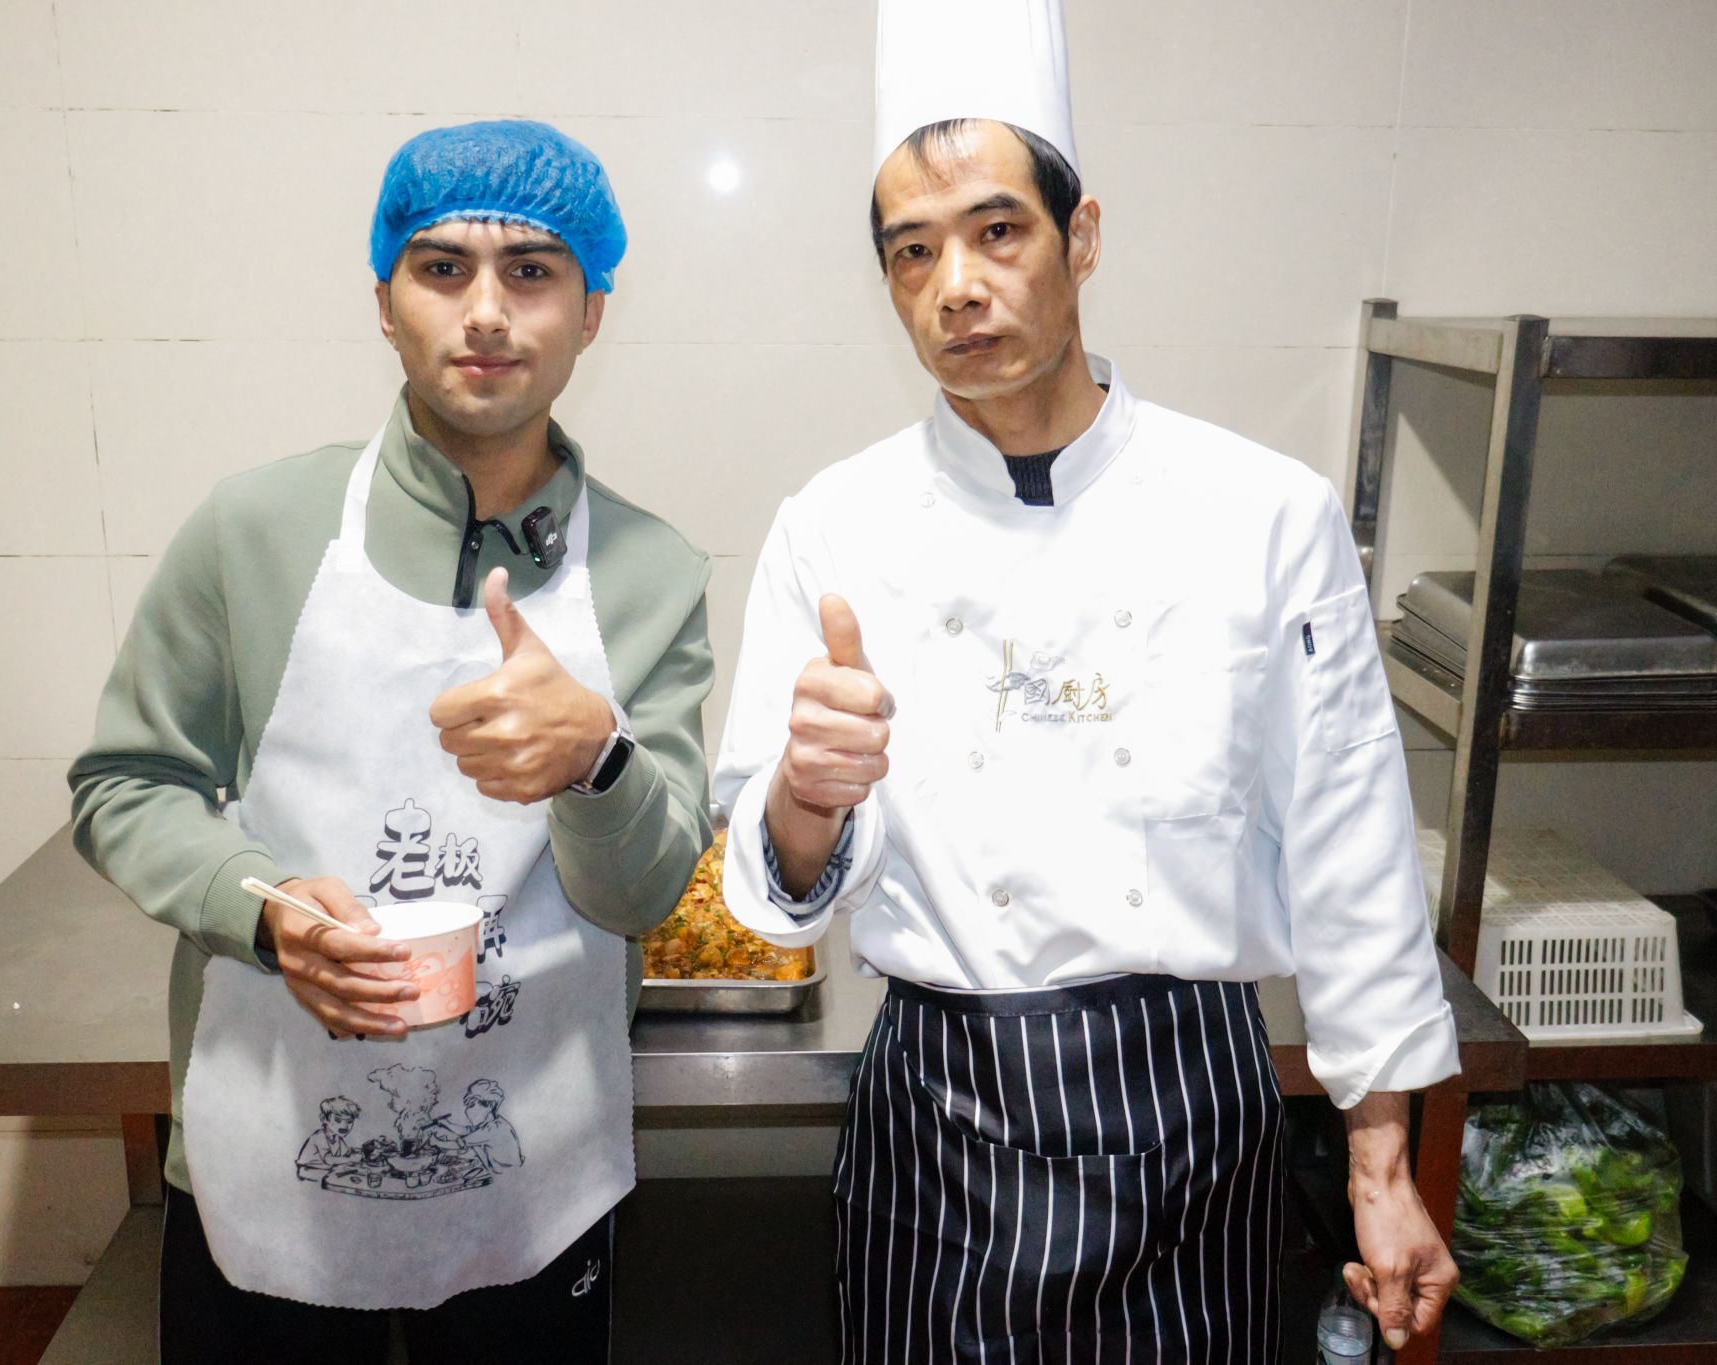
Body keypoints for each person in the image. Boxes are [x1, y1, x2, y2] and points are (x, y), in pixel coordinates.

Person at [713, 2, 1462, 1360]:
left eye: (998, 230)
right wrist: (804, 796)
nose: (957, 285)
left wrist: (1380, 1161)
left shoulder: (1262, 512)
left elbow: (1349, 842)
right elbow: (772, 891)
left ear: (1083, 237)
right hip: (940, 1117)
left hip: (1190, 1101)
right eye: (913, 251)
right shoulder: (833, 529)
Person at [70, 119, 712, 1363]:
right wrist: (260, 909)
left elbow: (639, 896)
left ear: (591, 313)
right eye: (441, 269)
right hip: (273, 1144)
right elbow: (126, 785)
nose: (486, 312)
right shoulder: (255, 531)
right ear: (383, 302)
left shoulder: (650, 575)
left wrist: (595, 763)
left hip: (532, 1166)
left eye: (532, 272)